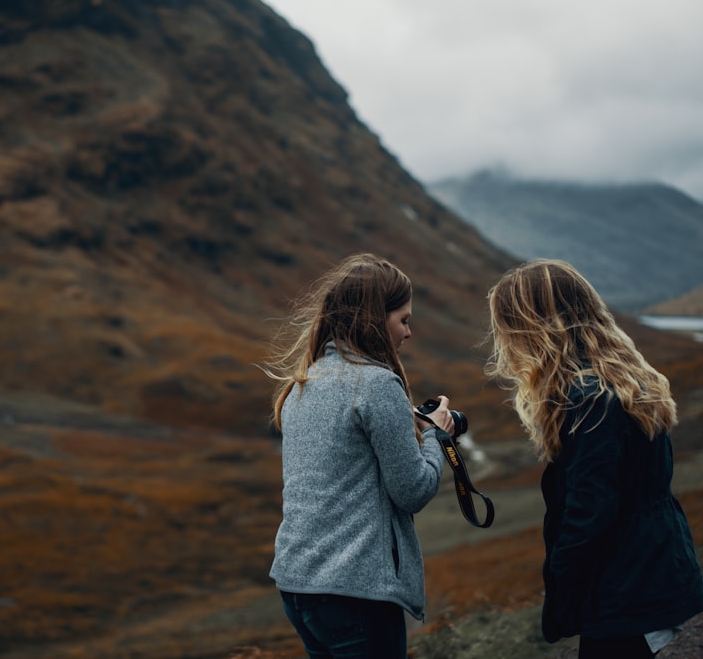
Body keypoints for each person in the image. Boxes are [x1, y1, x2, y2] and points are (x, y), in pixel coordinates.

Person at [486, 259, 703, 658]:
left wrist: (563, 582)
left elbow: (591, 512)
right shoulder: (625, 380)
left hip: (626, 586)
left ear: (532, 328)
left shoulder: (588, 401)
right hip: (653, 568)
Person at [263, 253, 453, 658]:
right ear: (373, 318)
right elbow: (413, 491)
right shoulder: (376, 384)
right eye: (403, 319)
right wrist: (437, 436)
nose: (409, 332)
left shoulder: (303, 381)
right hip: (355, 593)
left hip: (299, 587)